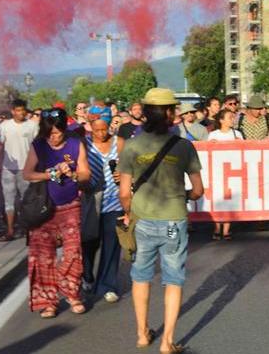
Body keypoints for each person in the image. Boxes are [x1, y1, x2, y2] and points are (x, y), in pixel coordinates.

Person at [119, 88, 204, 353]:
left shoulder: (131, 146)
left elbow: (124, 193)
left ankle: (142, 333)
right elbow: (199, 190)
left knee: (141, 276)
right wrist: (182, 195)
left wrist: (129, 212)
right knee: (173, 279)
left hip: (142, 220)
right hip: (173, 223)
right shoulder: (184, 146)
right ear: (168, 113)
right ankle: (167, 342)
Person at [22, 108, 91, 316]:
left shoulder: (75, 144)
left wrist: (73, 174)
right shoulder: (38, 146)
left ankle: (71, 293)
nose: (54, 136)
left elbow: (86, 173)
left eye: (57, 131)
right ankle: (48, 301)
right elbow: (27, 173)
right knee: (42, 255)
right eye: (49, 132)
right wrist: (51, 173)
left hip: (71, 204)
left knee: (73, 251)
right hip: (44, 207)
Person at [83, 114, 125, 303]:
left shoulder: (119, 142)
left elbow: (128, 167)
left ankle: (107, 285)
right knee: (89, 241)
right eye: (96, 129)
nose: (101, 133)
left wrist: (122, 175)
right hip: (91, 200)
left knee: (112, 243)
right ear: (90, 127)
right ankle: (87, 275)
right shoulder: (83, 144)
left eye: (104, 128)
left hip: (114, 200)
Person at [0, 99, 39, 241]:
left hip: (26, 167)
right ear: (13, 111)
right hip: (8, 168)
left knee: (26, 199)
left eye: (23, 110)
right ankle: (9, 230)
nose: (21, 113)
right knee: (9, 200)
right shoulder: (5, 126)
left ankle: (27, 228)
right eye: (18, 110)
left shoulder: (32, 126)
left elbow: (37, 146)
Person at [207, 109, 243, 241]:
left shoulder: (237, 134)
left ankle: (226, 229)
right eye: (229, 117)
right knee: (217, 198)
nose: (232, 120)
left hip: (233, 171)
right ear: (221, 120)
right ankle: (217, 227)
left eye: (233, 117)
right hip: (217, 170)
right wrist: (210, 145)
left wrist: (241, 144)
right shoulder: (213, 135)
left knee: (230, 199)